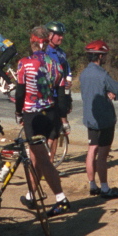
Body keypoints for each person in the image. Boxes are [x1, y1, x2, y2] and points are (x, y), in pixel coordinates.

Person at [15, 26, 70, 217]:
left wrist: (18, 112)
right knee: (36, 158)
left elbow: (20, 91)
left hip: (33, 115)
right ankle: (31, 195)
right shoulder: (56, 64)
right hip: (52, 113)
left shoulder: (24, 63)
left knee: (43, 160)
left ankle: (61, 199)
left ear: (32, 42)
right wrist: (62, 118)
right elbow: (61, 95)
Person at [79, 40, 118, 198]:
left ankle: (92, 184)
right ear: (99, 56)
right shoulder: (102, 74)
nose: (105, 58)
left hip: (90, 118)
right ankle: (105, 188)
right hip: (105, 119)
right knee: (103, 155)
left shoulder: (84, 74)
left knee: (92, 150)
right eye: (104, 55)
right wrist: (111, 93)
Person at [45, 21, 72, 161]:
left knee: (55, 131)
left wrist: (68, 98)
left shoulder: (61, 53)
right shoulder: (45, 52)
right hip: (49, 97)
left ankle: (50, 162)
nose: (61, 38)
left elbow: (67, 73)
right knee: (50, 131)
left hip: (61, 95)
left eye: (62, 35)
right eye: (58, 35)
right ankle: (45, 162)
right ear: (50, 35)